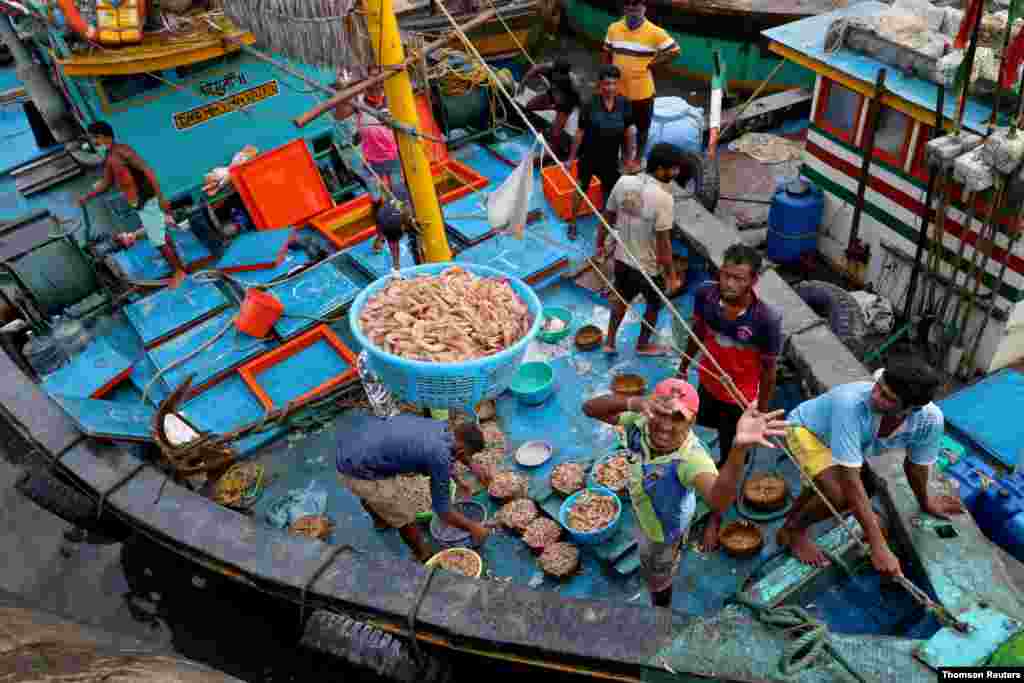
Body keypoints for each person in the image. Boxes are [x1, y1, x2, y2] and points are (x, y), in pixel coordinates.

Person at [583, 379, 788, 607]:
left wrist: (738, 449)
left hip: (663, 530)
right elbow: (589, 409)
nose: (666, 425)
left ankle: (661, 607)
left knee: (659, 573)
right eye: (661, 413)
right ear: (650, 407)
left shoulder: (691, 460)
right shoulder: (638, 422)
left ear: (692, 422)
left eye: (679, 418)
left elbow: (719, 503)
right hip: (646, 506)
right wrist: (633, 402)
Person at [777, 358, 966, 577]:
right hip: (807, 431)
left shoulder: (930, 421)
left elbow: (916, 467)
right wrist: (879, 546)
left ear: (912, 409)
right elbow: (849, 482)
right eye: (878, 386)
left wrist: (926, 502)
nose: (875, 396)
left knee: (830, 486)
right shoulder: (851, 404)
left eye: (887, 397)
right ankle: (795, 530)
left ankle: (790, 521)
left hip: (843, 442)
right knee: (838, 495)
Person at [676, 243, 782, 551]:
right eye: (725, 275)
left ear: (753, 282)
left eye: (738, 278)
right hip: (708, 384)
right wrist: (684, 369)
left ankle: (716, 517)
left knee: (730, 456)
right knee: (699, 423)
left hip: (741, 401)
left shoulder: (766, 320)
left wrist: (760, 414)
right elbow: (696, 332)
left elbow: (769, 371)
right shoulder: (705, 296)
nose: (729, 284)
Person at [336, 415, 493, 562]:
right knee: (404, 517)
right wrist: (474, 528)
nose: (462, 459)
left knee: (374, 497)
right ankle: (421, 554)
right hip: (358, 470)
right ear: (461, 450)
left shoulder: (441, 428)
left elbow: (454, 452)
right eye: (465, 455)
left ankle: (381, 521)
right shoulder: (438, 455)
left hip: (353, 446)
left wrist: (472, 465)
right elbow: (443, 511)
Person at [77, 121, 186, 286]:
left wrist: (161, 197)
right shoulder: (109, 158)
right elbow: (106, 183)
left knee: (159, 241)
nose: (93, 143)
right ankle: (179, 265)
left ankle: (178, 272)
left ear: (102, 137)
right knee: (160, 234)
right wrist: (87, 196)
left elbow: (147, 170)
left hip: (146, 198)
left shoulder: (123, 151)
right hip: (138, 203)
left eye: (94, 139)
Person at [599, 142, 681, 356]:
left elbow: (606, 215)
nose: (676, 172)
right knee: (654, 305)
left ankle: (610, 342)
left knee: (621, 298)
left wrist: (599, 244)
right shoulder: (665, 199)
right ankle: (643, 345)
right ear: (660, 169)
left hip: (621, 260)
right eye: (673, 168)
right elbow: (664, 245)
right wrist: (671, 276)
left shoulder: (624, 181)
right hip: (646, 268)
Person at [568, 64, 640, 240]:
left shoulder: (624, 104)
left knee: (611, 192)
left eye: (614, 84)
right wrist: (571, 158)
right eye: (607, 84)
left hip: (611, 157)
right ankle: (572, 222)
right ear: (600, 85)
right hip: (589, 156)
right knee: (580, 189)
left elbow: (630, 131)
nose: (611, 88)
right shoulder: (589, 104)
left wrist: (629, 159)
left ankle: (608, 221)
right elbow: (580, 132)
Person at [602, 0, 680, 155]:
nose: (632, 7)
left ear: (644, 7)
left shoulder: (655, 32)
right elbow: (607, 53)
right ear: (624, 7)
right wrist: (604, 80)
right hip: (619, 93)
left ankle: (638, 158)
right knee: (621, 127)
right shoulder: (613, 28)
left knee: (643, 129)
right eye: (628, 3)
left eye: (636, 3)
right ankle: (625, 157)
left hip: (643, 94)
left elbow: (675, 51)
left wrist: (653, 64)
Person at [333, 80, 400, 201]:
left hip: (390, 153)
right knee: (376, 187)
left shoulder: (389, 97)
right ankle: (382, 203)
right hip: (369, 156)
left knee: (395, 186)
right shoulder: (358, 102)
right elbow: (340, 116)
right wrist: (342, 92)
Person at [520, 58, 581, 152]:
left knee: (555, 133)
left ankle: (555, 150)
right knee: (529, 105)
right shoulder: (547, 68)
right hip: (552, 95)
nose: (559, 76)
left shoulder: (573, 83)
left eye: (562, 75)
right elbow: (534, 70)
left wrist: (561, 109)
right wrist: (522, 84)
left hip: (566, 105)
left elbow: (578, 102)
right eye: (557, 74)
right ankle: (536, 128)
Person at [370, 181, 422, 274]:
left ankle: (379, 240)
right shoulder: (392, 223)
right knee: (389, 235)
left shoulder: (403, 199)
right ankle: (396, 265)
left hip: (399, 199)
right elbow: (394, 245)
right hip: (389, 216)